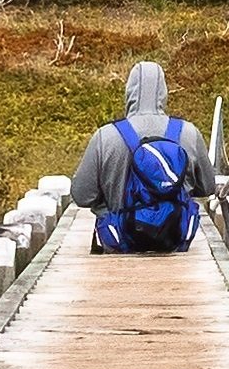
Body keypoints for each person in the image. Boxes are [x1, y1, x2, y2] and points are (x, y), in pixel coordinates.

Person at [72, 58, 210, 252]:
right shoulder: (188, 132)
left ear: (129, 91)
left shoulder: (106, 135)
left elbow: (82, 196)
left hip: (119, 246)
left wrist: (109, 198)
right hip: (174, 246)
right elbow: (207, 187)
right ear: (164, 92)